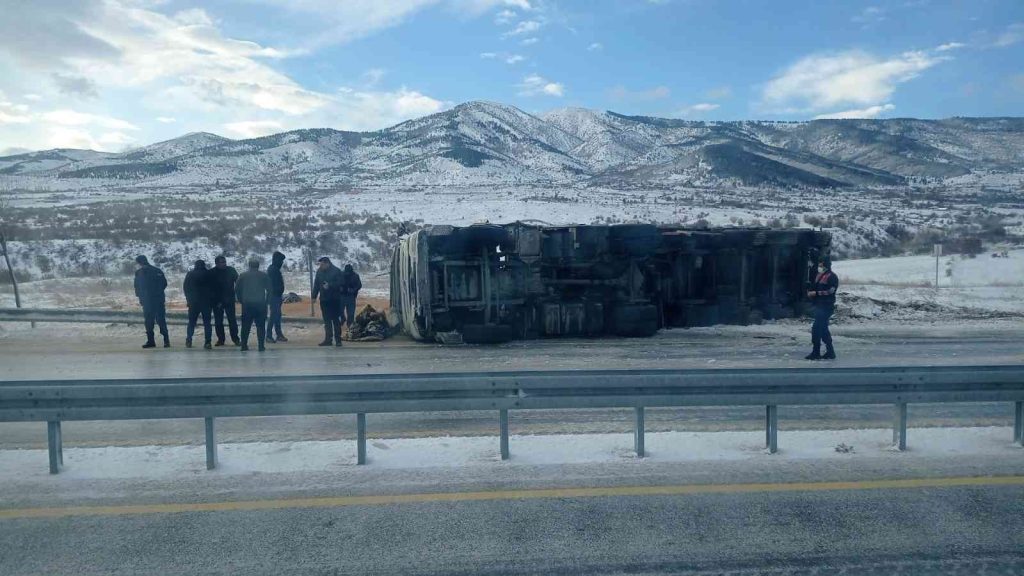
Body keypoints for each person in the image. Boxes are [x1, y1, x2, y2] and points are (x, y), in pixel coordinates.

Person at [133, 255, 169, 349]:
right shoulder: (157, 271)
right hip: (157, 300)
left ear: (139, 263)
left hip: (147, 301)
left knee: (149, 322)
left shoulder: (139, 273)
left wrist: (141, 297)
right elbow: (164, 283)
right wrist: (158, 292)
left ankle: (151, 341)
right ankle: (166, 340)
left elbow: (137, 287)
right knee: (161, 320)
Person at [806, 256, 839, 360]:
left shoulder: (832, 276)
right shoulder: (820, 276)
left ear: (826, 264)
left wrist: (816, 293)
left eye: (821, 264)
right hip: (819, 306)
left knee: (816, 329)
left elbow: (831, 291)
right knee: (823, 329)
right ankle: (830, 351)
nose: (819, 266)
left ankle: (816, 352)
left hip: (826, 306)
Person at [235, 258, 270, 352]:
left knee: (245, 326)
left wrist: (241, 300)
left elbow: (237, 289)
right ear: (258, 266)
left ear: (249, 265)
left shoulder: (243, 276)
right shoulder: (263, 275)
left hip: (247, 304)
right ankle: (261, 345)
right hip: (260, 304)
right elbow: (270, 289)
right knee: (261, 326)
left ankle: (244, 345)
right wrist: (266, 301)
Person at [311, 256, 344, 347]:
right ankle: (328, 339)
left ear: (327, 264)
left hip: (334, 299)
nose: (321, 266)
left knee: (335, 320)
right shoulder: (319, 272)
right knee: (327, 321)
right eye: (320, 264)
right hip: (324, 299)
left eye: (322, 264)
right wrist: (314, 296)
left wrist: (330, 286)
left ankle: (338, 339)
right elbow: (316, 284)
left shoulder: (336, 271)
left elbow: (341, 283)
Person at [209, 255, 240, 346]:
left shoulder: (231, 270)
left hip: (229, 299)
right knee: (218, 322)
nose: (224, 264)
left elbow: (238, 282)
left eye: (224, 262)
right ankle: (221, 339)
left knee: (232, 320)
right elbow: (209, 288)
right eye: (221, 262)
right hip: (217, 301)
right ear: (216, 263)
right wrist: (214, 300)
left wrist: (237, 294)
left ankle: (235, 339)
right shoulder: (212, 272)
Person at [183, 259, 213, 349]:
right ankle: (208, 342)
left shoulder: (190, 274)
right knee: (207, 323)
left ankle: (189, 340)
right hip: (206, 302)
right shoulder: (209, 274)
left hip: (193, 302)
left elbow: (186, 288)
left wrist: (188, 300)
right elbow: (214, 288)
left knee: (191, 322)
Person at [265, 251, 288, 343]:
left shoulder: (274, 269)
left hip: (277, 296)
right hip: (274, 296)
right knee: (274, 315)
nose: (282, 263)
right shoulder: (273, 270)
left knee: (277, 316)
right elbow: (271, 285)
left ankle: (279, 334)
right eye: (281, 260)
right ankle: (269, 335)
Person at [340, 263, 362, 331]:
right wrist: (339, 288)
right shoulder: (341, 275)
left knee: (351, 313)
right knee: (340, 311)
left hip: (351, 296)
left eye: (348, 272)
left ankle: (350, 326)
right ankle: (343, 319)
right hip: (342, 296)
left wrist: (353, 290)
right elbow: (337, 283)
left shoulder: (355, 276)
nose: (347, 273)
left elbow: (359, 285)